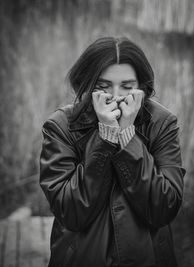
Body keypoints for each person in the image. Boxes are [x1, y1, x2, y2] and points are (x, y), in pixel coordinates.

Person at [39, 37, 186, 267]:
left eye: (127, 86)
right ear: (86, 84)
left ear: (142, 87)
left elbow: (164, 208)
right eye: (102, 86)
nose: (116, 96)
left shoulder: (162, 123)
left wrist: (128, 136)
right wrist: (105, 139)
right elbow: (70, 211)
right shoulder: (61, 126)